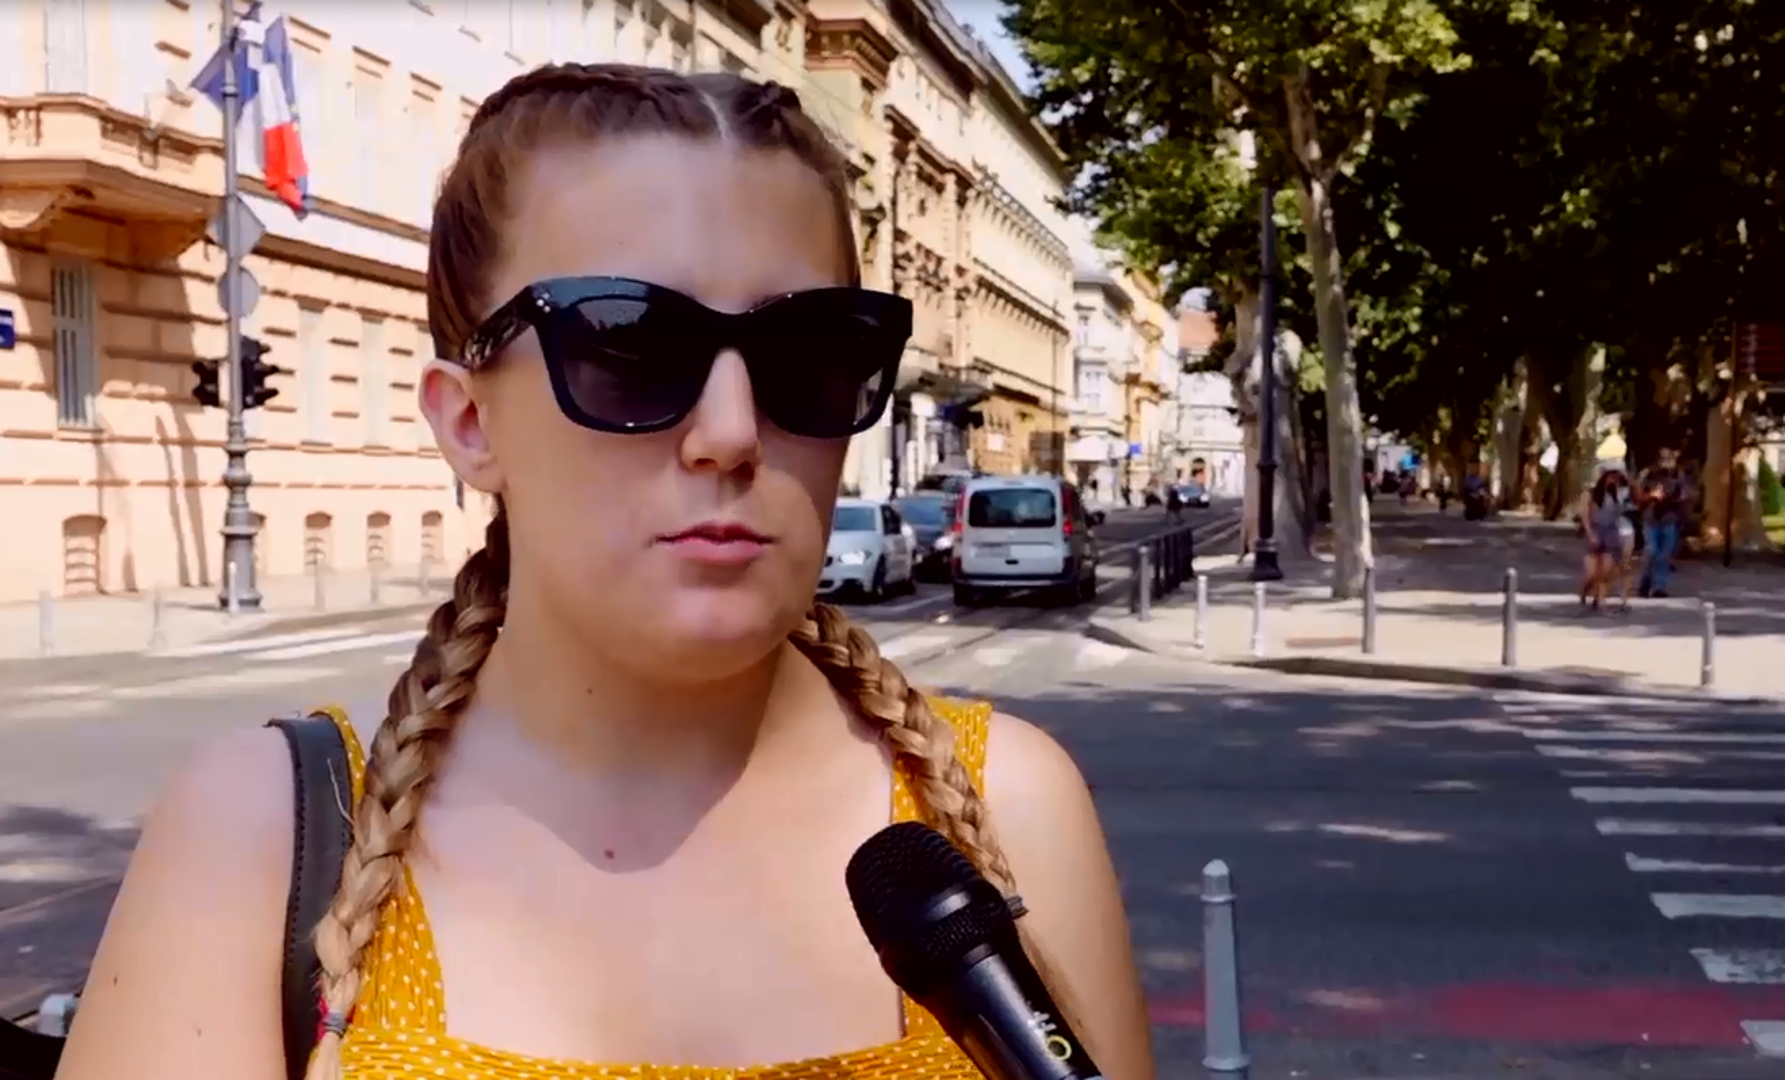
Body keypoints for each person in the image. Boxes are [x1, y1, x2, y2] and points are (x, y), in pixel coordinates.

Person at [55, 65, 1154, 1080]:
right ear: (468, 421)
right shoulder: (260, 838)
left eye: (812, 355)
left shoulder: (1006, 808)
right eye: (628, 348)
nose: (731, 431)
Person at [1577, 463, 1632, 613]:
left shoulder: (1617, 494)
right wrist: (1590, 533)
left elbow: (1624, 508)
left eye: (1616, 478)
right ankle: (1585, 590)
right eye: (1611, 477)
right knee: (1592, 572)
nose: (1613, 480)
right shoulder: (1590, 493)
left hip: (1611, 533)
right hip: (1595, 530)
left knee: (1606, 570)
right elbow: (1584, 515)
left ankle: (1599, 599)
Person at [1636, 447, 1686, 597]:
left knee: (1664, 554)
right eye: (1664, 459)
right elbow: (1637, 496)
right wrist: (1651, 495)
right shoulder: (1647, 474)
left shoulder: (1678, 475)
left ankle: (1659, 586)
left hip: (1669, 518)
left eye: (1670, 459)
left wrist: (1678, 499)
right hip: (1651, 518)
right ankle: (1645, 582)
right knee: (1651, 551)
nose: (1667, 462)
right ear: (1658, 460)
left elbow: (1684, 495)